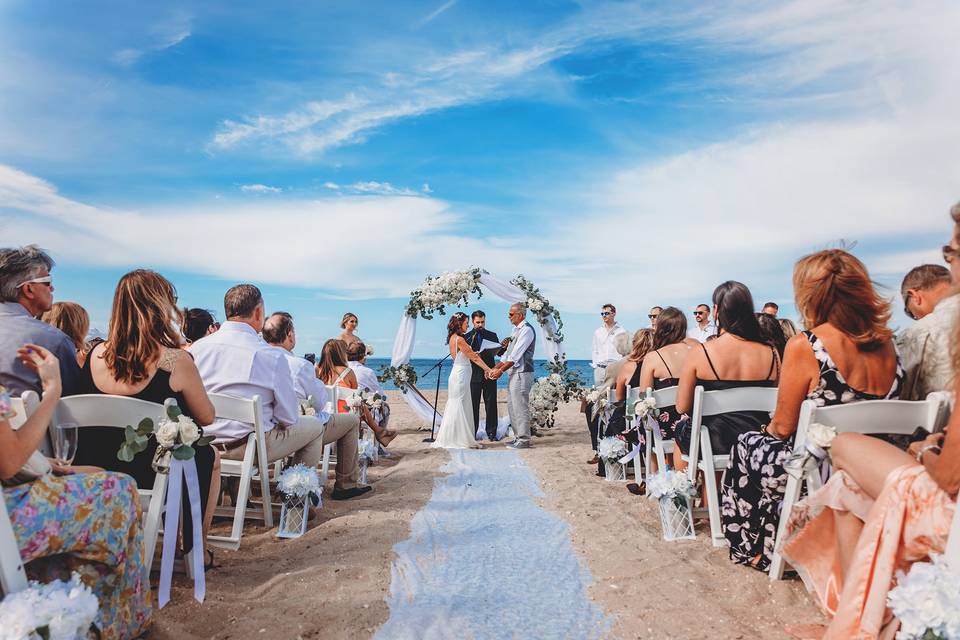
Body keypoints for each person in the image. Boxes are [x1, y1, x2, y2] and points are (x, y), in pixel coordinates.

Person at [721, 250, 902, 572]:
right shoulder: (888, 344)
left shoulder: (808, 345)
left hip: (819, 468)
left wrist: (763, 432)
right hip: (877, 463)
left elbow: (783, 427)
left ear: (812, 294)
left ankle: (755, 548)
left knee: (747, 445)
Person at [2, 344, 153, 640]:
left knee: (93, 478)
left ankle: (60, 608)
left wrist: (38, 461)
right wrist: (52, 390)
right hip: (8, 521)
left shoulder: (97, 351)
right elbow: (8, 464)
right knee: (120, 490)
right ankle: (118, 622)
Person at [71, 270, 221, 563]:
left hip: (95, 467)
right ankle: (196, 551)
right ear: (161, 308)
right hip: (150, 472)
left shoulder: (94, 356)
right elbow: (207, 417)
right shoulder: (175, 361)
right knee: (209, 457)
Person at [191, 284, 369, 500]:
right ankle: (296, 497)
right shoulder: (271, 357)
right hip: (250, 447)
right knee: (313, 427)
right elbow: (288, 417)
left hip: (204, 445)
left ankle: (240, 493)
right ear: (258, 312)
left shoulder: (197, 349)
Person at [674, 281, 780, 466]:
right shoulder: (771, 353)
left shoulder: (702, 352)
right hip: (757, 441)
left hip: (715, 442)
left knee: (682, 429)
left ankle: (685, 488)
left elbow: (682, 407)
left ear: (716, 311)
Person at [0, 245, 81, 396]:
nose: (52, 288)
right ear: (28, 289)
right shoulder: (53, 340)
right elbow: (74, 400)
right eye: (48, 281)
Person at [317, 339, 396, 447]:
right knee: (358, 402)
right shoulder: (347, 372)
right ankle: (378, 431)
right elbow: (355, 397)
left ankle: (379, 431)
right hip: (343, 416)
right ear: (340, 354)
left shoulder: (318, 371)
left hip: (321, 414)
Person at [431, 312, 493, 449]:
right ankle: (458, 438)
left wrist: (472, 354)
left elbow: (463, 355)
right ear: (460, 324)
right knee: (458, 405)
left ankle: (454, 436)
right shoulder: (460, 339)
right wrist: (489, 369)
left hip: (458, 373)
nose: (468, 325)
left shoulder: (453, 338)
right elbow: (475, 359)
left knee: (457, 405)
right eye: (466, 323)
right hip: (461, 376)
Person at [638, 307, 693, 462]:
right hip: (692, 424)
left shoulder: (653, 357)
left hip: (664, 428)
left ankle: (655, 474)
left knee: (646, 422)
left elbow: (644, 396)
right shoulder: (696, 352)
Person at [897, 262, 958, 400]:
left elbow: (901, 396)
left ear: (914, 296)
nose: (915, 318)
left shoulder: (917, 333)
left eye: (910, 313)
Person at [488, 303, 536, 449]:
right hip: (513, 373)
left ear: (520, 315)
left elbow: (515, 357)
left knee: (520, 406)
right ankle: (517, 436)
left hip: (522, 373)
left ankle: (524, 439)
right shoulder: (515, 330)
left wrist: (500, 371)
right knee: (512, 405)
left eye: (511, 314)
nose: (508, 317)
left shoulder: (526, 330)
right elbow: (506, 356)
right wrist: (493, 369)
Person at [464, 310, 501, 440]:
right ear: (473, 322)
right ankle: (472, 433)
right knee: (473, 405)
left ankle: (492, 433)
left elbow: (499, 353)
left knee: (491, 404)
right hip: (474, 375)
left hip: (490, 373)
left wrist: (503, 347)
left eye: (482, 322)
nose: (480, 325)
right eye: (477, 322)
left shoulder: (492, 335)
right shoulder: (467, 337)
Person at [345, 339, 391, 431]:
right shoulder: (367, 372)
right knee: (385, 407)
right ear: (362, 355)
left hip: (342, 410)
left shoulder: (341, 370)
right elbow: (380, 394)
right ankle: (379, 436)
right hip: (361, 413)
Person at [591, 304, 628, 385]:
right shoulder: (598, 332)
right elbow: (595, 350)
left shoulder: (621, 331)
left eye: (607, 313)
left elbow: (625, 351)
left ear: (614, 314)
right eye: (602, 314)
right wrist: (595, 365)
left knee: (615, 396)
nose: (604, 316)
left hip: (615, 369)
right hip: (600, 369)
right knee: (599, 395)